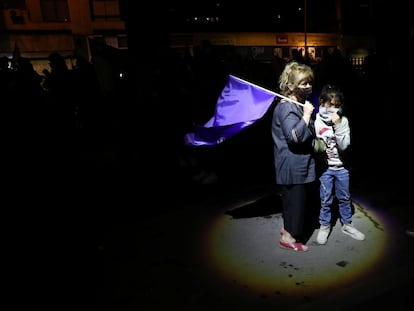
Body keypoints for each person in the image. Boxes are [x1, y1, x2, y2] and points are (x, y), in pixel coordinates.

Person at [272, 61, 317, 252]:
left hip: (295, 164)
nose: (308, 87)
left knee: (291, 201)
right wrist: (306, 116)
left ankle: (286, 230)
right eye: (303, 83)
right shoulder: (287, 107)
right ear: (290, 85)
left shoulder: (295, 103)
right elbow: (295, 137)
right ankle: (289, 238)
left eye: (309, 82)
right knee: (296, 202)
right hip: (292, 164)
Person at [314, 84, 365, 244]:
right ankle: (324, 226)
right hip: (325, 169)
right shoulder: (316, 121)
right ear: (321, 102)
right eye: (330, 105)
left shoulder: (343, 121)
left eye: (337, 106)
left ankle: (347, 225)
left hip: (342, 167)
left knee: (344, 197)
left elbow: (344, 146)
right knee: (325, 199)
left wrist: (338, 125)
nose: (332, 109)